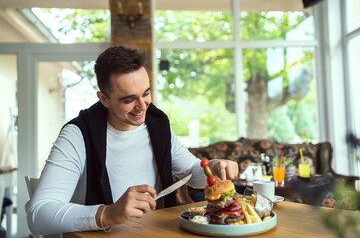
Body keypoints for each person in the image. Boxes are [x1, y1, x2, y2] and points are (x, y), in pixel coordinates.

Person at [25, 46, 239, 235]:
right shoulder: (77, 134)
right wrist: (107, 213)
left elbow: (191, 172)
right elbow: (37, 215)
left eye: (146, 93)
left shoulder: (156, 124)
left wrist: (213, 168)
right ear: (104, 99)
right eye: (129, 99)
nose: (142, 106)